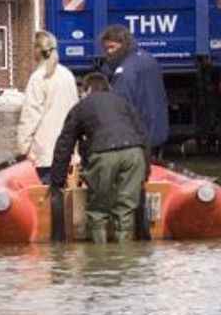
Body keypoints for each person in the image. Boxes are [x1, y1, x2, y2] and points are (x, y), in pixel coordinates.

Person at [50, 73, 149, 244]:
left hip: (103, 154)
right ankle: (123, 256)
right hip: (134, 154)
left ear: (87, 89)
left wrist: (57, 182)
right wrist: (146, 171)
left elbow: (64, 145)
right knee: (125, 210)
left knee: (98, 211)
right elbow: (143, 135)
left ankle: (99, 257)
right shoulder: (123, 103)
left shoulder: (80, 108)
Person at [16, 31, 79, 184]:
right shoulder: (67, 75)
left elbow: (31, 116)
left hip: (45, 151)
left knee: (46, 199)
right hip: (67, 149)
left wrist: (22, 148)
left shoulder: (38, 78)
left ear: (37, 50)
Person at [99, 24, 169, 159]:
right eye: (106, 48)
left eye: (112, 47)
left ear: (123, 44)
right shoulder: (148, 59)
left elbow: (119, 106)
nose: (108, 52)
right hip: (156, 130)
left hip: (137, 137)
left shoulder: (125, 72)